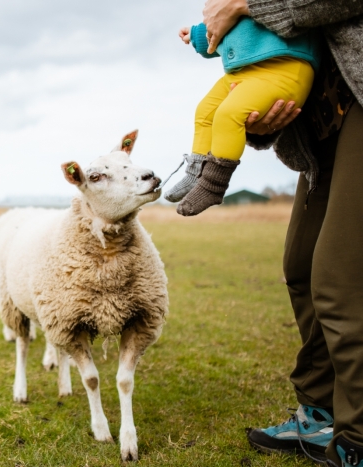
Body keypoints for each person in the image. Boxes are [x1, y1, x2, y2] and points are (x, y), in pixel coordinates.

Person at [197, 0, 363, 465]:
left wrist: (246, 4)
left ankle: (358, 439)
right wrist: (258, 119)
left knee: (340, 281)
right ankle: (319, 412)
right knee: (302, 267)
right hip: (324, 122)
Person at [165, 17, 320, 216]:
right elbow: (222, 34)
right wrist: (197, 35)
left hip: (284, 68)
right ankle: (197, 172)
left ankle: (213, 185)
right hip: (242, 72)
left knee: (228, 114)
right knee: (205, 112)